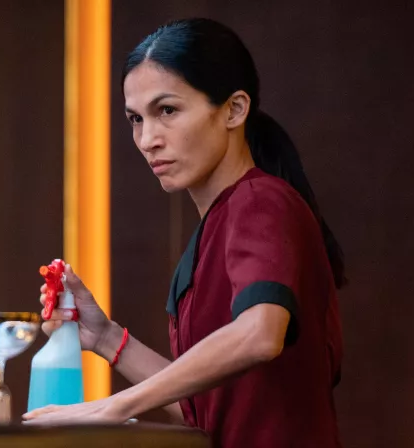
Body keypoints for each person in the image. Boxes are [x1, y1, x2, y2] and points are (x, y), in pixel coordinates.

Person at [21, 18, 345, 448]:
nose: (147, 139)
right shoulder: (220, 222)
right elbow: (203, 409)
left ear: (234, 110)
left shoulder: (259, 200)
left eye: (167, 111)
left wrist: (110, 407)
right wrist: (106, 337)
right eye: (135, 119)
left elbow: (260, 333)